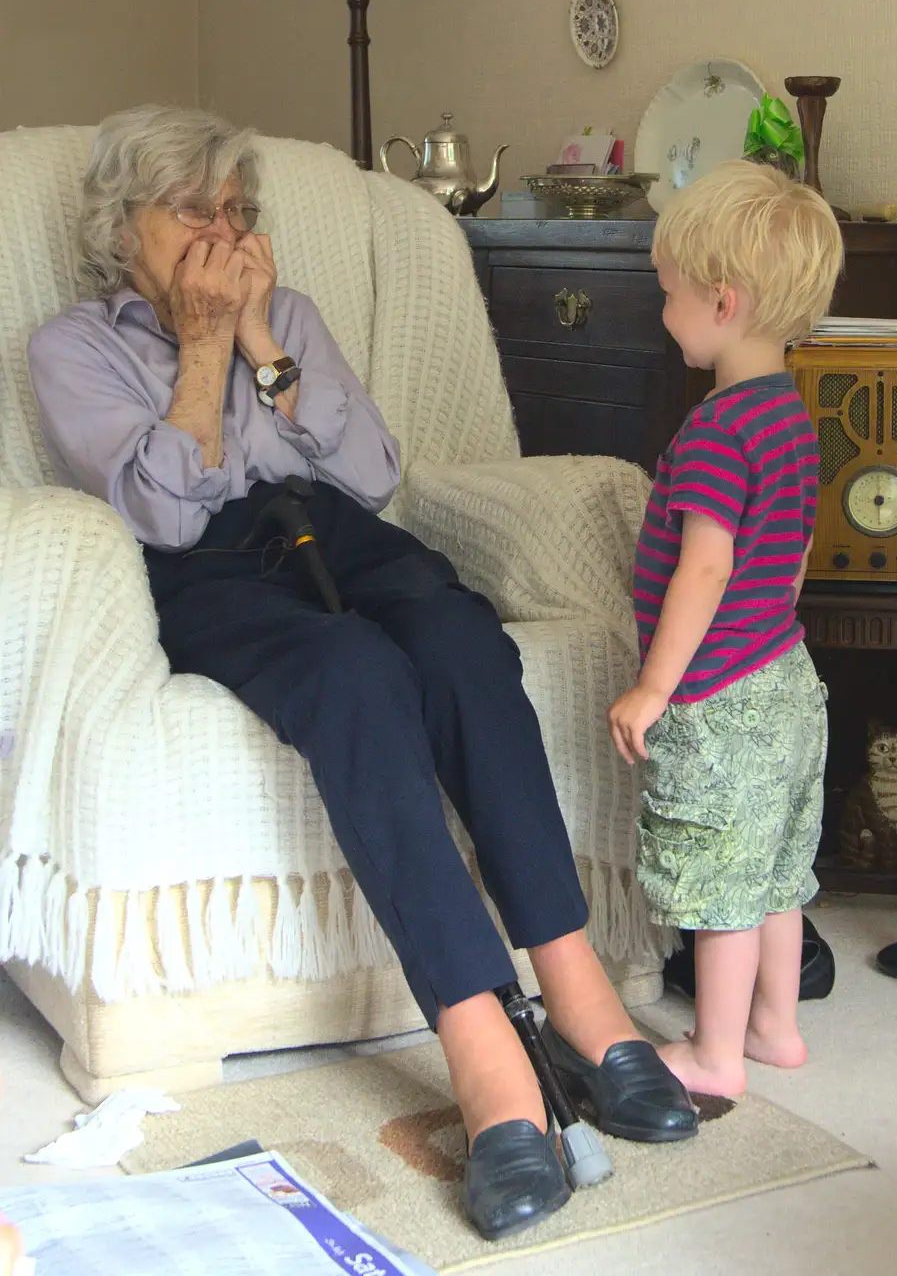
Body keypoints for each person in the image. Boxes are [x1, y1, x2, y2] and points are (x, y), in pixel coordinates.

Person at [27, 106, 695, 1242]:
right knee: (353, 671)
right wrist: (197, 344)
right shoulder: (73, 347)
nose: (222, 235)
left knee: (455, 638)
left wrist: (257, 344)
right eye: (193, 212)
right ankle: (487, 1059)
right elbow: (158, 510)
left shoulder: (286, 316)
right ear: (118, 227)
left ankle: (580, 996)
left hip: (336, 531)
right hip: (210, 571)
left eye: (237, 213)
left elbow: (374, 469)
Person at [608, 160, 843, 1100]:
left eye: (668, 295)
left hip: (719, 692)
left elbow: (704, 568)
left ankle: (712, 1054)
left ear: (723, 302)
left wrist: (656, 687)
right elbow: (788, 553)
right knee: (778, 867)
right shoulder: (789, 416)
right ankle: (775, 1028)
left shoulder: (715, 433)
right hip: (787, 673)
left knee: (716, 876)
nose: (664, 313)